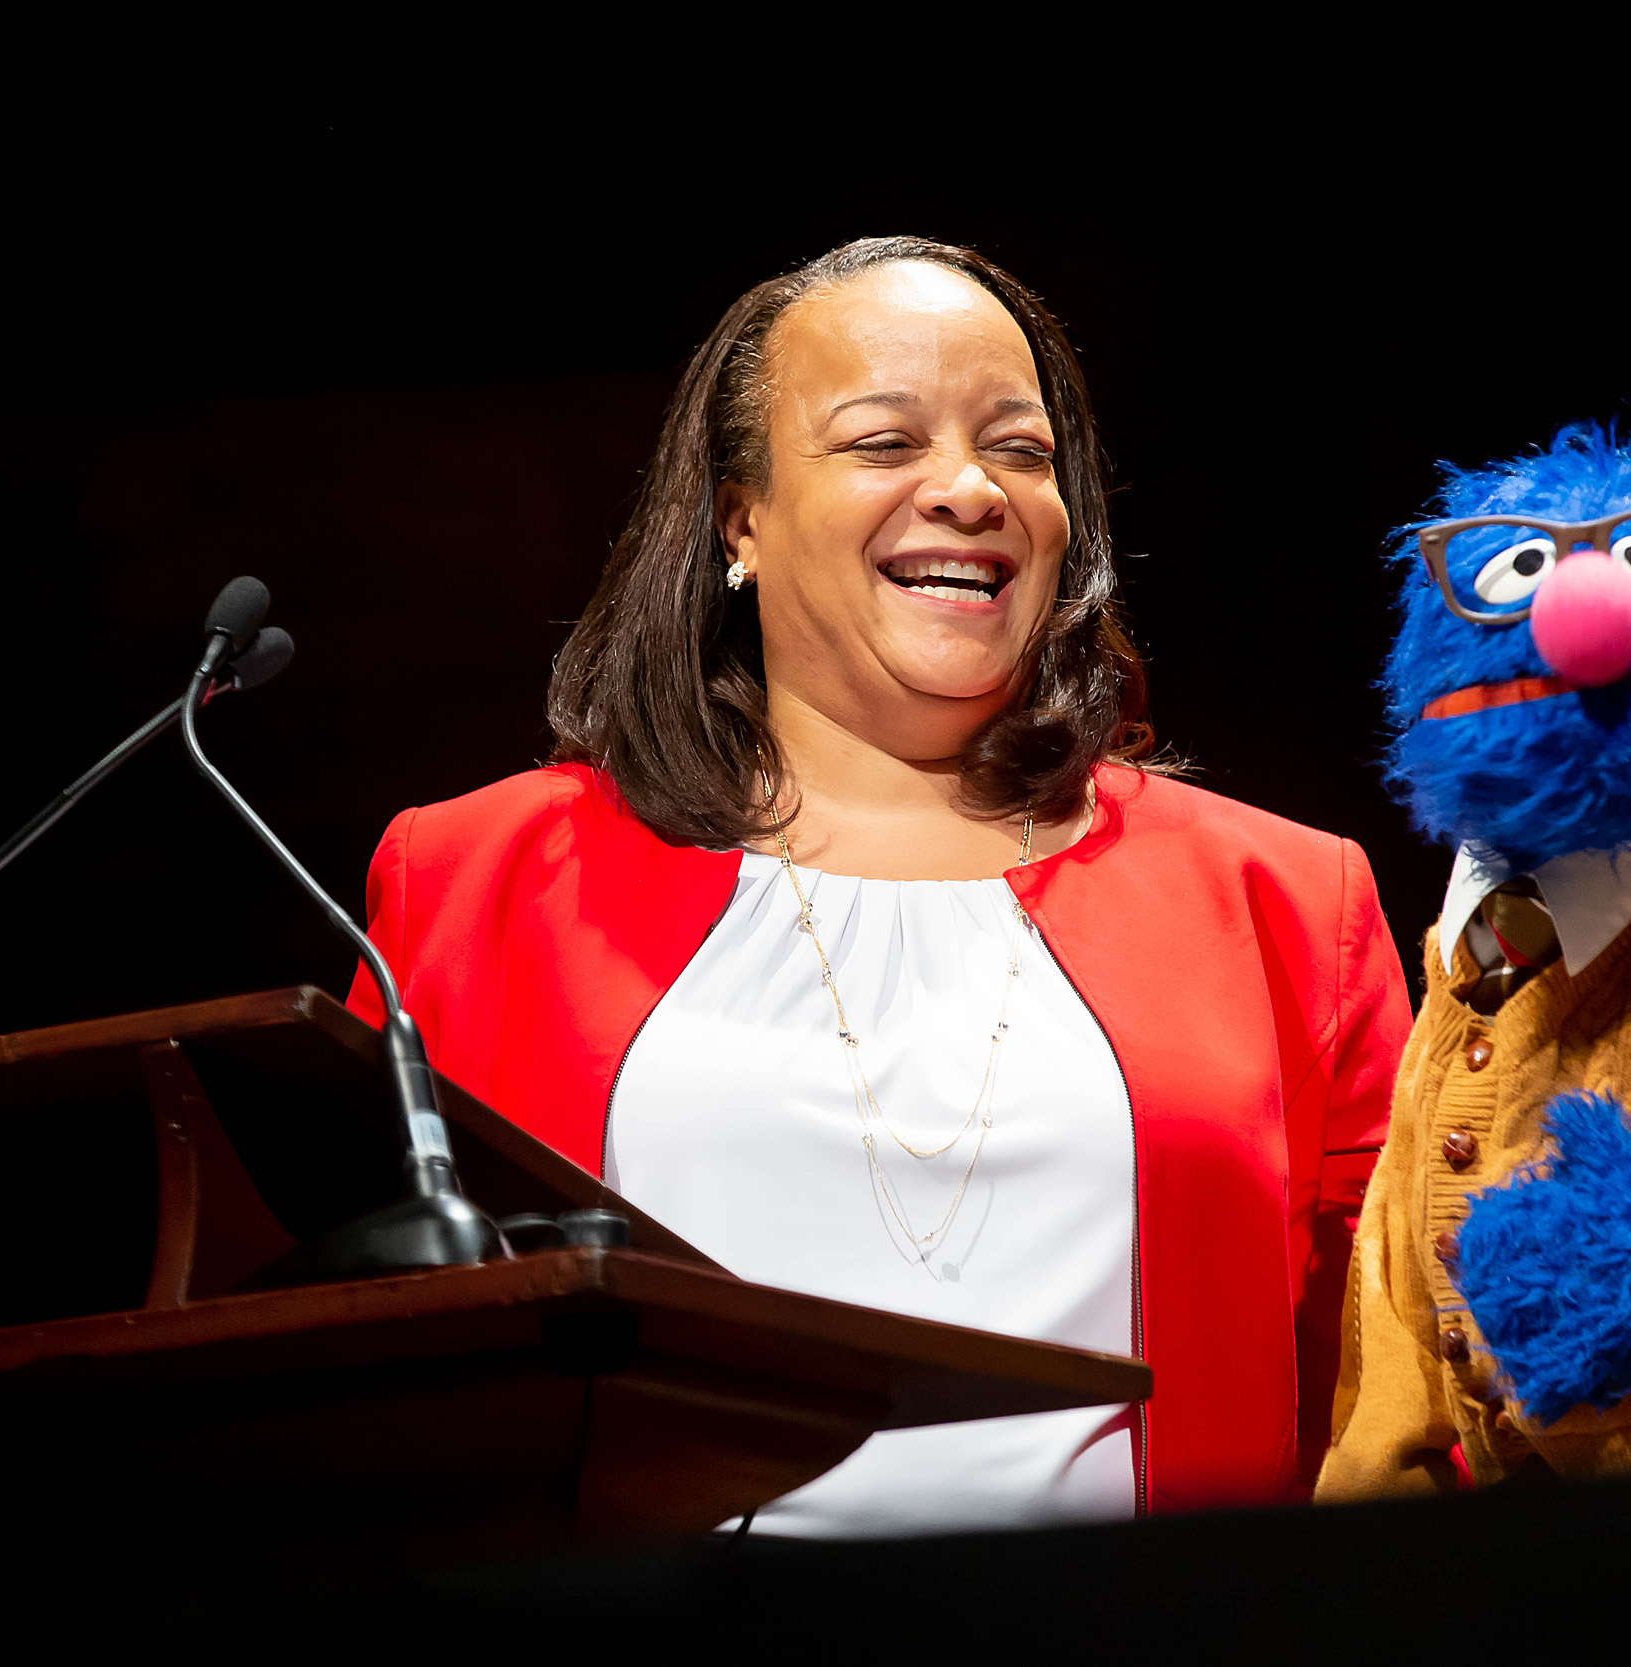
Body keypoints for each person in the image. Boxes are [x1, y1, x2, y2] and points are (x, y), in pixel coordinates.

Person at [346, 236, 1409, 1532]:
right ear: (740, 515)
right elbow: (361, 1379)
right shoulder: (481, 884)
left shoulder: (1284, 902)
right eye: (883, 441)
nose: (968, 489)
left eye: (1018, 450)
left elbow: (1404, 1400)